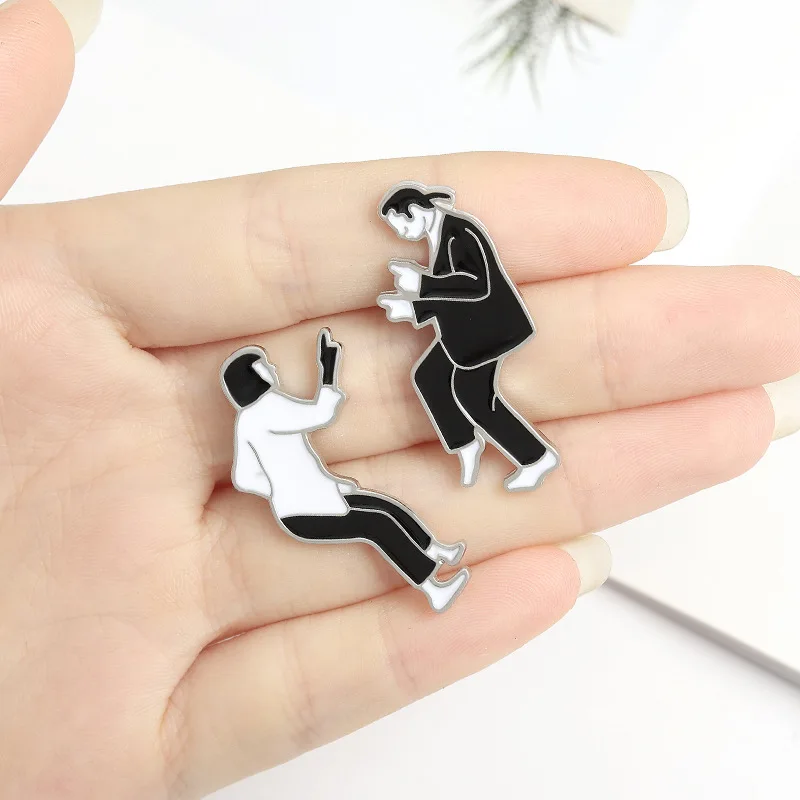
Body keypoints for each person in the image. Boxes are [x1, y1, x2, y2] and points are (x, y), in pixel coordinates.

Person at [6, 3, 800, 798]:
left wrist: (412, 301)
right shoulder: (277, 408)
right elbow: (319, 413)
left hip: (473, 344)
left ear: (421, 209)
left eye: (406, 220)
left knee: (429, 421)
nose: (408, 229)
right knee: (407, 461)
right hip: (344, 469)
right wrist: (353, 358)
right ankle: (457, 525)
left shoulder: (456, 237)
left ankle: (474, 485)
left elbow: (471, 291)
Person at [221, 329, 470, 612]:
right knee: (378, 525)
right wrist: (328, 369)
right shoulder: (268, 408)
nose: (273, 367)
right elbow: (321, 414)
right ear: (254, 376)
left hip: (307, 504)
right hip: (307, 512)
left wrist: (284, 488)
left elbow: (244, 477)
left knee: (383, 506)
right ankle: (433, 589)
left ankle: (434, 550)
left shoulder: (246, 421)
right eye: (265, 365)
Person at [377, 181, 559, 491]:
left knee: (474, 398)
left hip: (490, 331)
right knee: (429, 377)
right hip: (465, 332)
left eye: (402, 226)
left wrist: (422, 286)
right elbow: (452, 296)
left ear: (417, 211)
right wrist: (413, 308)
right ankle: (465, 443)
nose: (402, 235)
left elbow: (476, 285)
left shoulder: (460, 231)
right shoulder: (440, 235)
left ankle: (536, 458)